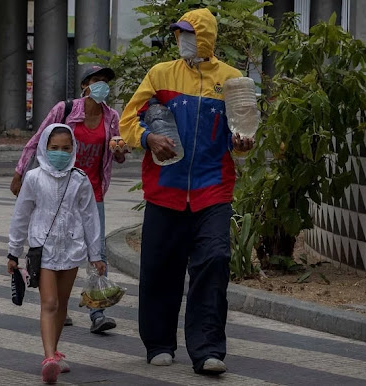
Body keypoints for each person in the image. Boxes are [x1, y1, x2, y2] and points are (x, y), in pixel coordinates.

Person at [119, 8, 254, 375]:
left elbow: (240, 130)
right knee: (160, 268)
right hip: (165, 189)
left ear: (206, 37)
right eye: (179, 34)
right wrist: (148, 138)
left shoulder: (231, 79)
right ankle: (159, 343)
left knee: (214, 261)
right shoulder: (160, 74)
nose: (183, 40)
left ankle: (208, 349)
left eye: (189, 34)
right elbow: (129, 119)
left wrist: (242, 143)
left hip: (213, 189)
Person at [10, 66, 126, 333]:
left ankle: (98, 310)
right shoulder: (65, 110)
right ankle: (59, 306)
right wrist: (19, 172)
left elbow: (117, 155)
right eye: (98, 81)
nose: (103, 87)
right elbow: (38, 139)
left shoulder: (111, 117)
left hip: (92, 190)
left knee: (98, 250)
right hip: (58, 187)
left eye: (106, 82)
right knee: (57, 245)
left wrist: (120, 151)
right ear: (85, 84)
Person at [6, 123, 106, 384]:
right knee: (49, 303)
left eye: (65, 148)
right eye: (54, 148)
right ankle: (49, 357)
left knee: (61, 305)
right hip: (43, 250)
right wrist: (13, 252)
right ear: (44, 148)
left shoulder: (80, 179)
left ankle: (55, 351)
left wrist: (97, 255)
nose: (60, 153)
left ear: (73, 149)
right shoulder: (34, 178)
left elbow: (90, 218)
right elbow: (21, 215)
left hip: (72, 250)